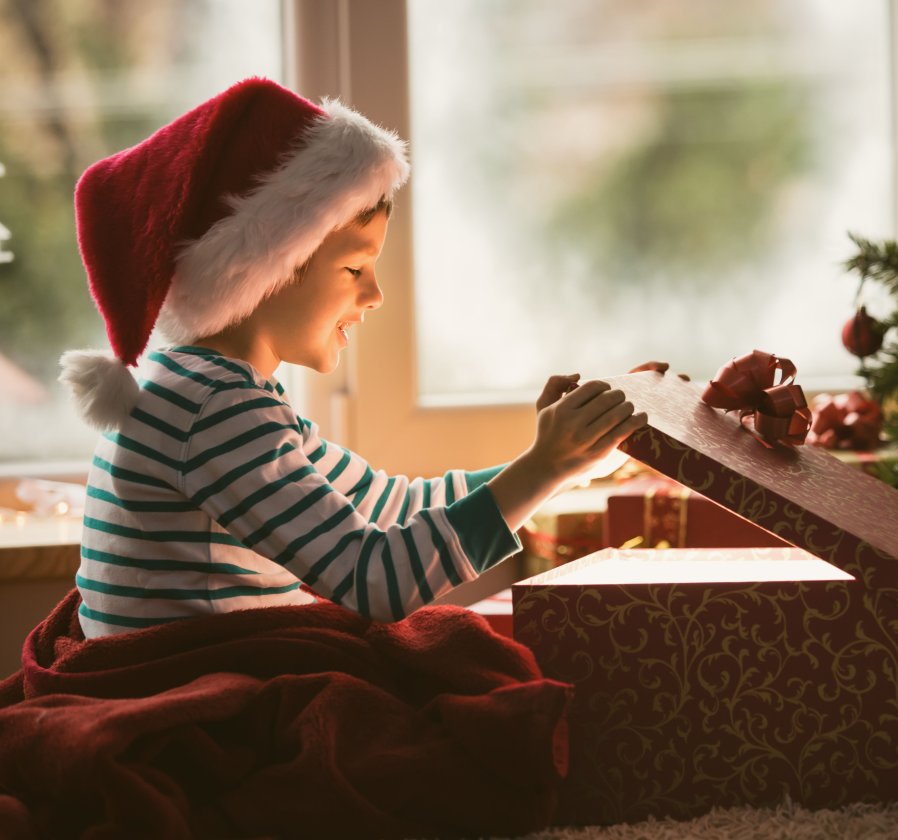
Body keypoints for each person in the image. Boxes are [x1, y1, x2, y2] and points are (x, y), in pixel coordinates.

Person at [59, 77, 648, 639]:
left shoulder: (201, 389)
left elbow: (394, 506)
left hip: (201, 664)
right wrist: (540, 469)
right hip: (202, 687)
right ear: (263, 266)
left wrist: (560, 465)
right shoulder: (214, 407)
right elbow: (377, 582)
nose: (375, 294)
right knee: (460, 658)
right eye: (354, 267)